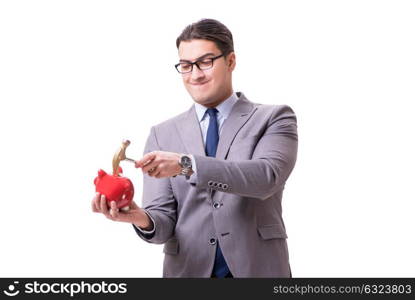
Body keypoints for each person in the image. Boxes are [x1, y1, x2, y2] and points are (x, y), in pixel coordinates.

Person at [92, 18, 298, 278]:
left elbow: (266, 178)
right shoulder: (162, 133)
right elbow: (163, 221)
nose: (196, 74)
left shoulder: (274, 118)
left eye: (206, 62)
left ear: (231, 61)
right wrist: (139, 217)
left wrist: (186, 165)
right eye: (186, 66)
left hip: (259, 271)